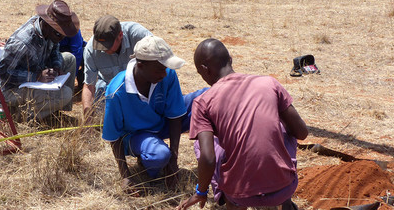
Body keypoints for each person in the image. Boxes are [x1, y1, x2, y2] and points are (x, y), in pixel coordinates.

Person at [177, 39, 308, 210]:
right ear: (230, 59)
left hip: (240, 194)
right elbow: (302, 132)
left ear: (204, 70)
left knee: (203, 144)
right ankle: (285, 203)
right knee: (283, 129)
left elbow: (208, 159)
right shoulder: (269, 83)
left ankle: (233, 205)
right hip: (284, 187)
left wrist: (200, 192)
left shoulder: (203, 102)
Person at [102, 35, 188, 195]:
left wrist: (174, 160)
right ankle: (148, 161)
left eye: (165, 68)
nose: (164, 74)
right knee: (160, 155)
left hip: (161, 123)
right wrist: (125, 176)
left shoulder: (167, 74)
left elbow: (175, 116)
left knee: (202, 102)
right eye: (159, 69)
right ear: (140, 65)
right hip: (137, 136)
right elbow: (114, 138)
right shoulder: (116, 92)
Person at [0, 0, 79, 121]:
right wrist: (37, 76)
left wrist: (56, 66)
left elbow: (54, 49)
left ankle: (54, 111)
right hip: (12, 89)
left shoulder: (50, 32)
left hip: (37, 70)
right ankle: (22, 116)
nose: (61, 38)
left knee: (69, 59)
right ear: (46, 24)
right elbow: (3, 73)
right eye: (58, 34)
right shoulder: (23, 42)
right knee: (65, 93)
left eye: (63, 35)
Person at [82, 15, 152, 120]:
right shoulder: (90, 50)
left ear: (120, 35)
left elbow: (159, 63)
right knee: (105, 118)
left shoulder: (139, 36)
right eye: (100, 45)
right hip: (109, 88)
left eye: (107, 45)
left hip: (141, 88)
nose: (103, 49)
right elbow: (89, 86)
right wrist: (87, 118)